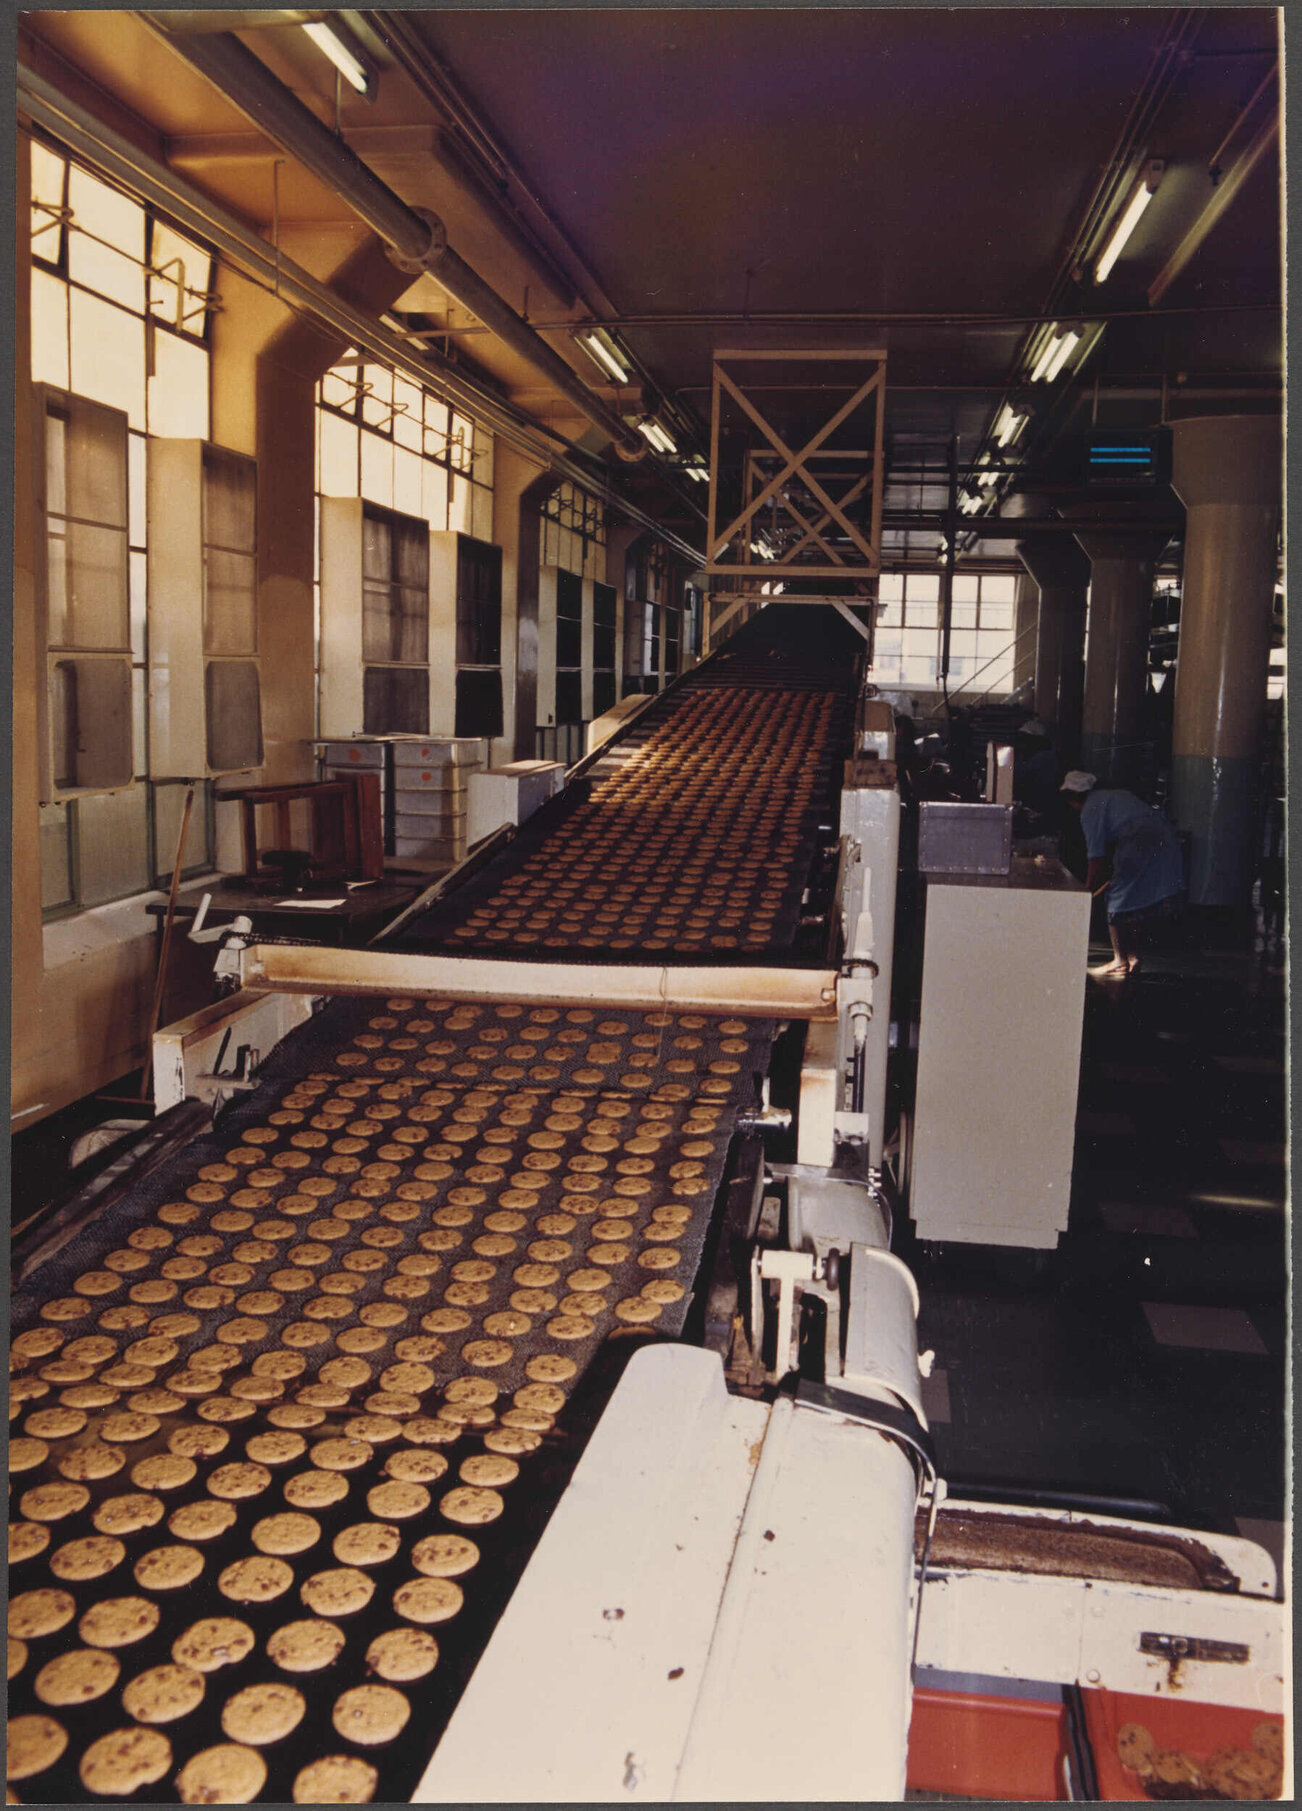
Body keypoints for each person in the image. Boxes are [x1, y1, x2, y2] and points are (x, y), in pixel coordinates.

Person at [1060, 772, 1184, 979]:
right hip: (1162, 838)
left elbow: (1096, 858)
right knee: (1133, 902)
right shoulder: (1111, 795)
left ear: (1072, 798)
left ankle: (1120, 960)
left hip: (1141, 841)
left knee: (1116, 901)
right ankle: (1133, 957)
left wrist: (1086, 893)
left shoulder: (1090, 809)